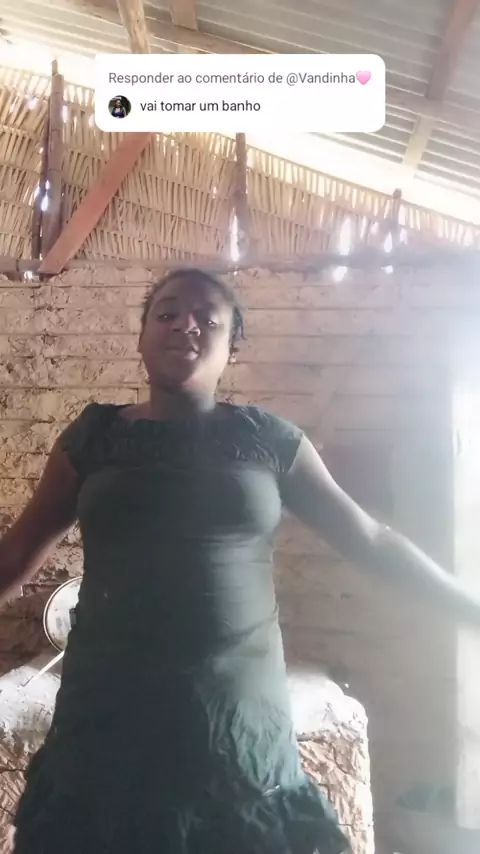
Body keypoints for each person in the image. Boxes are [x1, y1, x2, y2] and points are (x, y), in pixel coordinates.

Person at [1, 267, 479, 854]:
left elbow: (371, 540)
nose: (185, 324)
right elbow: (17, 553)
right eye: (167, 313)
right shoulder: (93, 438)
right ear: (142, 338)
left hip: (235, 721)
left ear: (233, 346)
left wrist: (470, 608)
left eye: (208, 318)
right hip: (107, 717)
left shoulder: (271, 441)